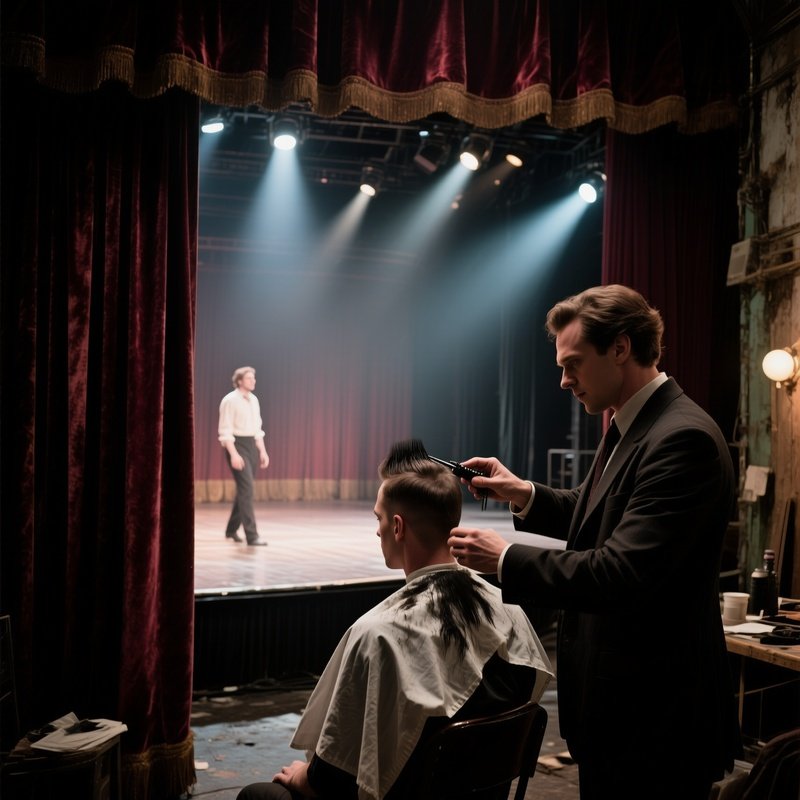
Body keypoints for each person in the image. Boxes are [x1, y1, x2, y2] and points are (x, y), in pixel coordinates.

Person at [448, 285, 741, 800]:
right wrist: (523, 493)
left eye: (574, 363)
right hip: (622, 710)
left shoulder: (681, 439)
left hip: (656, 719)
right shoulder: (632, 425)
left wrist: (506, 559)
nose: (564, 380)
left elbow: (620, 571)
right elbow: (594, 512)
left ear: (622, 348)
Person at [237, 439, 552, 800]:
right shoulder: (508, 610)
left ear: (398, 526)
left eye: (379, 518)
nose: (377, 530)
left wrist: (301, 776)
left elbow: (329, 779)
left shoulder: (379, 635)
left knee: (258, 795)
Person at [218, 366, 270, 546]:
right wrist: (233, 454)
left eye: (253, 378)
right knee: (247, 489)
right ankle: (252, 535)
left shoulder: (254, 400)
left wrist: (262, 451)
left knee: (244, 490)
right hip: (236, 444)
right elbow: (225, 431)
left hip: (251, 445)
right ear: (239, 381)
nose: (253, 381)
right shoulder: (230, 400)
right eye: (249, 378)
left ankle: (231, 529)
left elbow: (257, 429)